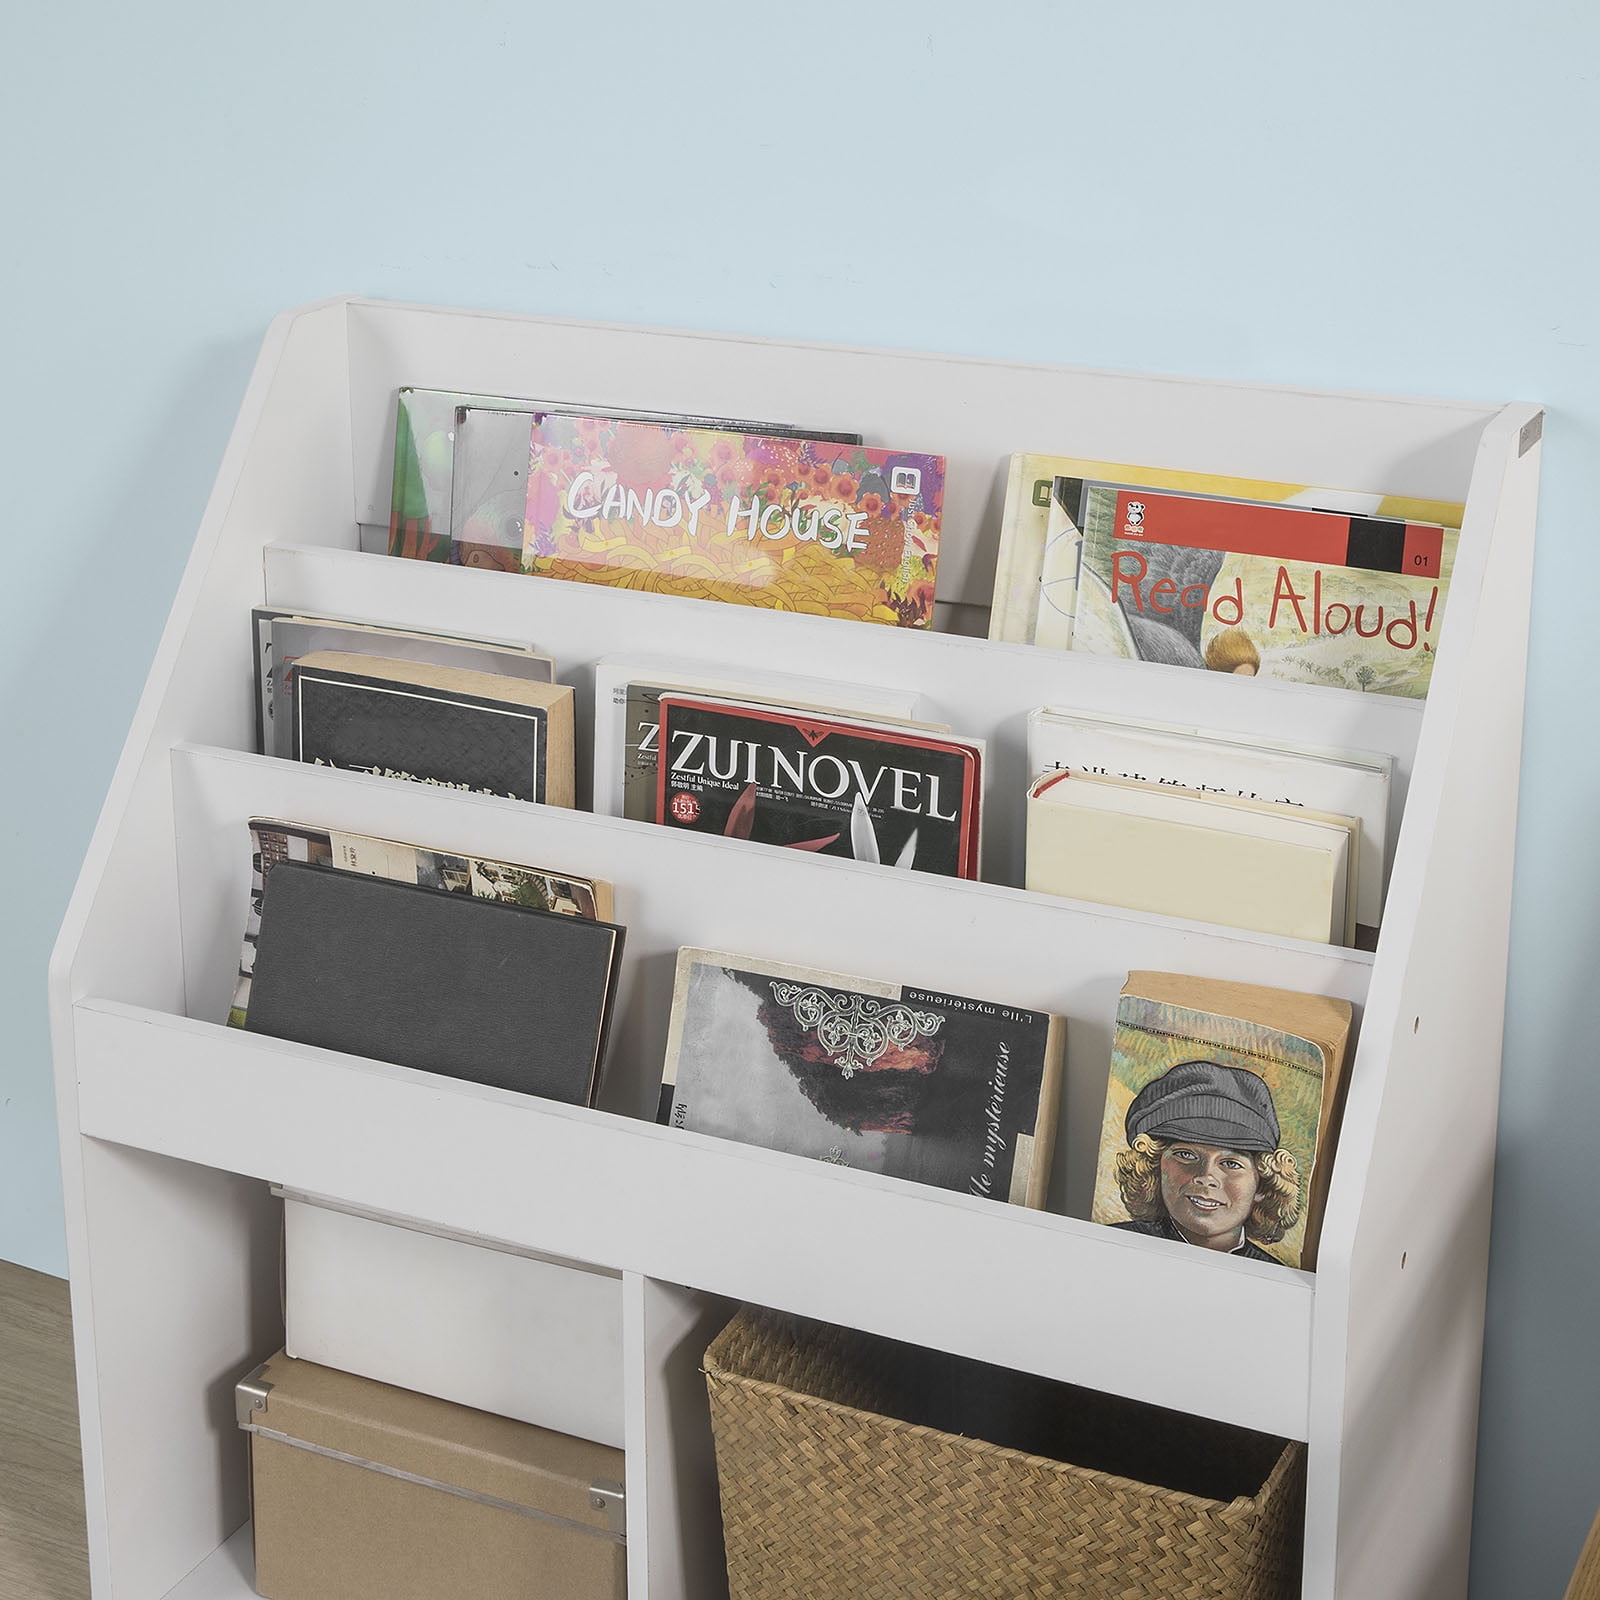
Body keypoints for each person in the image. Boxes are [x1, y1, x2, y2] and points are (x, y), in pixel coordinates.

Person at [1110, 1059, 1300, 1263]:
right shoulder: (1111, 1246)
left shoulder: (1275, 1274)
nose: (1206, 1176)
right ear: (1155, 1168)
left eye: (1231, 1163)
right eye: (1186, 1155)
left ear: (1262, 1185)